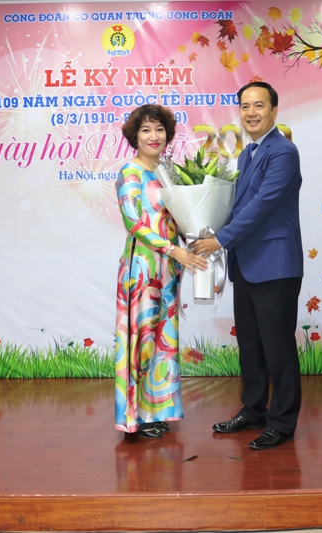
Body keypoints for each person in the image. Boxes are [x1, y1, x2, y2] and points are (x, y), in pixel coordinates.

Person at [193, 81, 304, 450]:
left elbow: (262, 205)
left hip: (275, 266)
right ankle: (254, 410)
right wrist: (205, 226)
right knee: (252, 346)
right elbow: (240, 206)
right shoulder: (248, 154)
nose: (251, 113)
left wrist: (220, 239)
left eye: (259, 105)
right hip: (247, 265)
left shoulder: (283, 152)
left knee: (278, 349)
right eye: (245, 106)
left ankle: (282, 423)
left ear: (274, 110)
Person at [114, 104, 208, 439]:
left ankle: (158, 411)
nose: (154, 136)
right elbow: (135, 224)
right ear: (135, 137)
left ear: (168, 135)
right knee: (141, 339)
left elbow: (176, 218)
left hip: (170, 268)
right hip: (142, 268)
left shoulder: (166, 172)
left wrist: (197, 236)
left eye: (159, 129)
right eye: (146, 130)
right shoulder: (130, 172)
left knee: (164, 339)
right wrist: (173, 249)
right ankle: (135, 417)